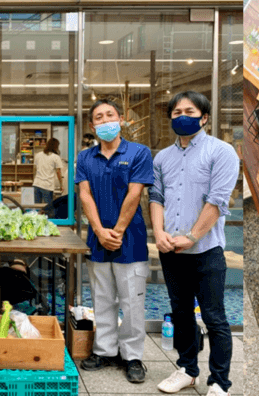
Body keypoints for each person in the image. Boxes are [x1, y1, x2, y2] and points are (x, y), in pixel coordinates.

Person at [150, 91, 239, 396]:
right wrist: (159, 233)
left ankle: (219, 382)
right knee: (181, 313)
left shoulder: (222, 152)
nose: (182, 116)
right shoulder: (162, 158)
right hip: (172, 251)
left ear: (204, 117)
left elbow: (217, 201)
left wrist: (192, 237)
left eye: (189, 111)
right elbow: (156, 197)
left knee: (215, 317)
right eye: (176, 112)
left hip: (206, 251)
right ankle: (188, 370)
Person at [76, 99, 154, 383]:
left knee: (132, 300)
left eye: (110, 115)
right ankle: (105, 350)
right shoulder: (85, 157)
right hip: (97, 240)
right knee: (102, 298)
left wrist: (118, 231)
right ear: (92, 125)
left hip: (130, 240)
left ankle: (132, 356)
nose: (105, 120)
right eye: (99, 117)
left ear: (120, 119)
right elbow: (85, 195)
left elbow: (136, 193)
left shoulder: (138, 153)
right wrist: (98, 231)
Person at [33, 137, 64, 207]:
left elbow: (34, 170)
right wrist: (61, 185)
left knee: (37, 208)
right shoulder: (56, 157)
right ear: (56, 146)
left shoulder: (38, 155)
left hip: (36, 184)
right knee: (48, 208)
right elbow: (58, 172)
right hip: (47, 186)